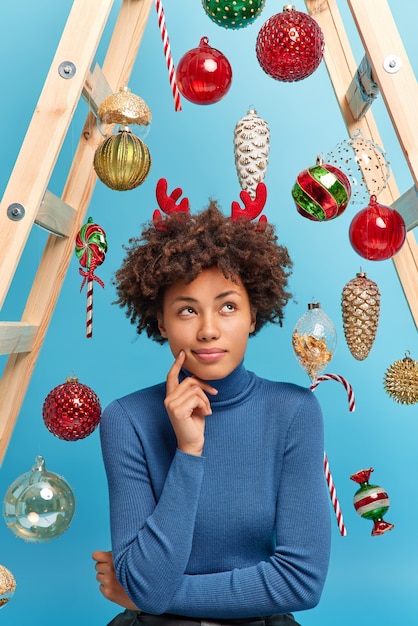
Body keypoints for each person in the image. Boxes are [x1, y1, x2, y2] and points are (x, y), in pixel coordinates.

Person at [93, 179, 331, 626]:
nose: (207, 330)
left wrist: (156, 595)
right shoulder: (126, 419)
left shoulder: (295, 412)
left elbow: (301, 582)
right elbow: (147, 585)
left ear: (253, 313)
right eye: (186, 310)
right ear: (160, 322)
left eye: (227, 307)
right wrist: (189, 451)